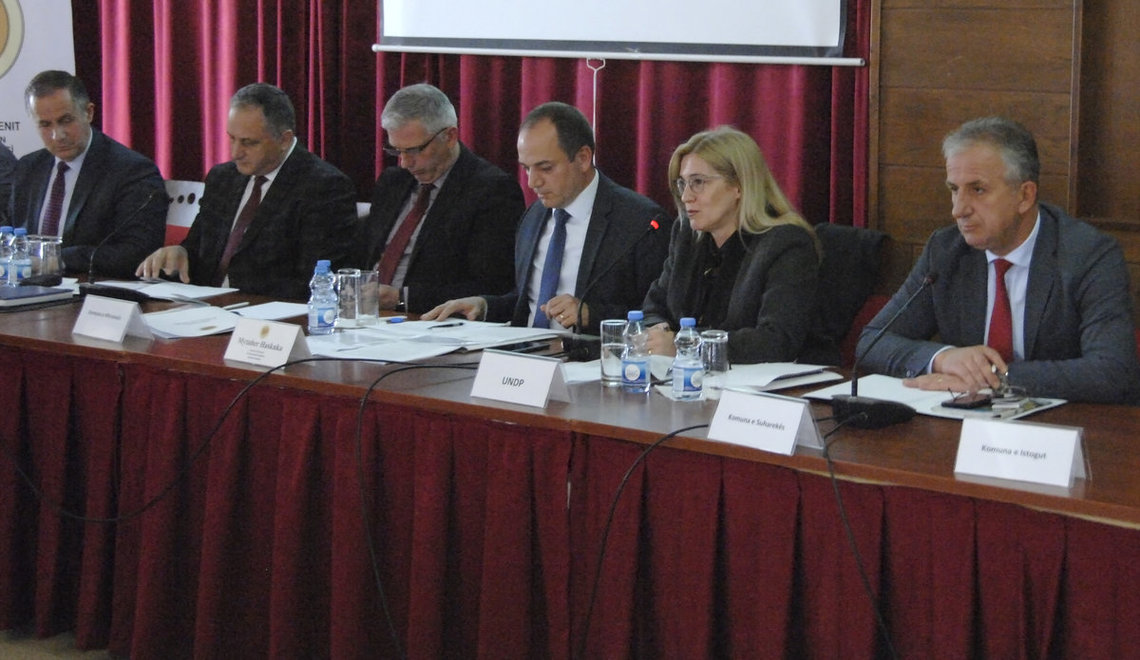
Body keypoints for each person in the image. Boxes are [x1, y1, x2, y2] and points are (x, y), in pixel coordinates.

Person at [858, 116, 1140, 404]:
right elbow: (872, 342)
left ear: (1025, 196)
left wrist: (993, 379)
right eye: (954, 189)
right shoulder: (946, 251)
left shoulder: (1088, 255)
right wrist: (943, 358)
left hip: (1062, 423)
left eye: (977, 189)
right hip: (965, 420)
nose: (958, 210)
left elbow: (1112, 371)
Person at [422, 102, 670, 333]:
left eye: (545, 168)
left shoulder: (640, 223)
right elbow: (528, 303)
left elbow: (658, 319)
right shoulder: (533, 216)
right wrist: (484, 305)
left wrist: (591, 315)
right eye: (526, 168)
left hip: (590, 357)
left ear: (583, 158)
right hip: (524, 353)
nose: (532, 182)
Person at [137, 83, 356, 300]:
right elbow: (199, 249)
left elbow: (314, 282)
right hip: (204, 307)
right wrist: (180, 253)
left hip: (267, 313)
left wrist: (234, 300)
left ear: (284, 140)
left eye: (248, 143)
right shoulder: (222, 178)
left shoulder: (324, 187)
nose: (235, 153)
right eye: (231, 138)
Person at [641, 126, 827, 364]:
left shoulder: (787, 244)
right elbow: (653, 308)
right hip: (690, 377)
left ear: (738, 185)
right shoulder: (687, 235)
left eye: (698, 182)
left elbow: (776, 340)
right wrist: (658, 335)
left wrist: (683, 346)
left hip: (772, 383)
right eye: (682, 184)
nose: (686, 196)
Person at [354, 83, 523, 313]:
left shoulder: (492, 191)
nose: (405, 163)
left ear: (450, 136)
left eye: (414, 150)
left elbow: (492, 286)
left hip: (427, 320)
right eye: (397, 150)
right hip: (366, 316)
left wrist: (402, 298)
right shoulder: (392, 182)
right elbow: (360, 257)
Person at [10, 70, 167, 278]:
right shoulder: (28, 168)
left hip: (89, 289)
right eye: (45, 125)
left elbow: (136, 252)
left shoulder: (132, 171)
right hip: (25, 287)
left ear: (89, 113)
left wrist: (56, 260)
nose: (58, 135)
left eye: (66, 120)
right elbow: (11, 233)